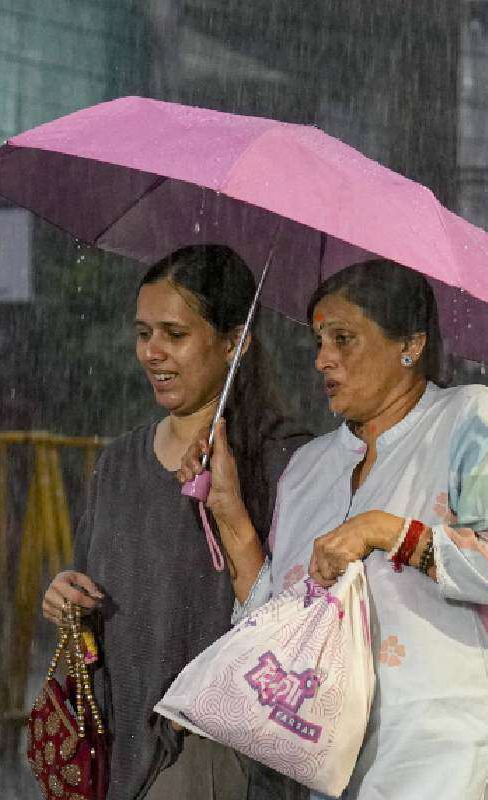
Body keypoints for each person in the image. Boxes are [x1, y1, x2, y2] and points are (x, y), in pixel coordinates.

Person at [179, 259, 488, 799]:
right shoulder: (308, 468)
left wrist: (388, 531)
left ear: (411, 345)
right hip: (332, 752)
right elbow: (277, 621)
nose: (322, 359)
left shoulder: (471, 417)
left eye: (344, 339)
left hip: (443, 746)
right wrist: (229, 510)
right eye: (319, 341)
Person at [40, 245, 311, 800]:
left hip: (211, 759)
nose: (152, 353)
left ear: (235, 344)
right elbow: (102, 603)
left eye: (175, 334)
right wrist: (66, 602)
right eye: (144, 334)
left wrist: (232, 512)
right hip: (120, 756)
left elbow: (297, 627)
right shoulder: (118, 463)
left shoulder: (284, 463)